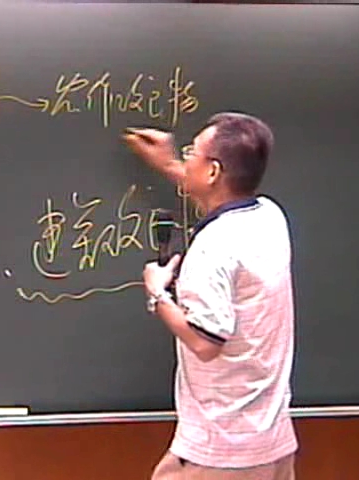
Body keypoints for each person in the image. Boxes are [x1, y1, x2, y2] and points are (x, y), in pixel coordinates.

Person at [123, 112, 298, 479]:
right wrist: (171, 165)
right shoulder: (269, 216)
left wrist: (157, 293)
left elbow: (205, 343)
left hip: (222, 453)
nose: (186, 156)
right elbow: (222, 201)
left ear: (214, 171)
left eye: (191, 152)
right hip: (271, 441)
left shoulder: (212, 249)